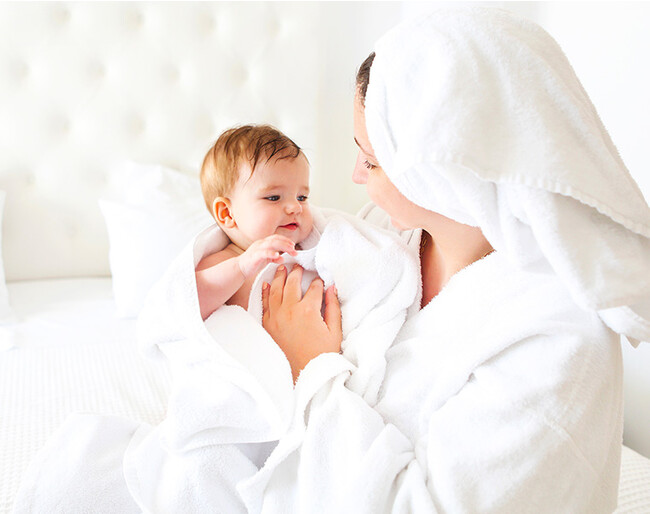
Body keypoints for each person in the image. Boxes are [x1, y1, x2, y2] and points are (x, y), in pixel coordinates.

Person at [258, 7, 650, 512]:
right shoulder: (389, 233)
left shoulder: (556, 339)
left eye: (372, 159)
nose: (356, 174)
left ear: (443, 170)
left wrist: (311, 369)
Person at [195, 124, 314, 320]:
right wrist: (241, 267)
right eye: (274, 197)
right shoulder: (225, 262)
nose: (295, 207)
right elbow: (190, 302)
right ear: (227, 213)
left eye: (302, 197)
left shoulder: (310, 251)